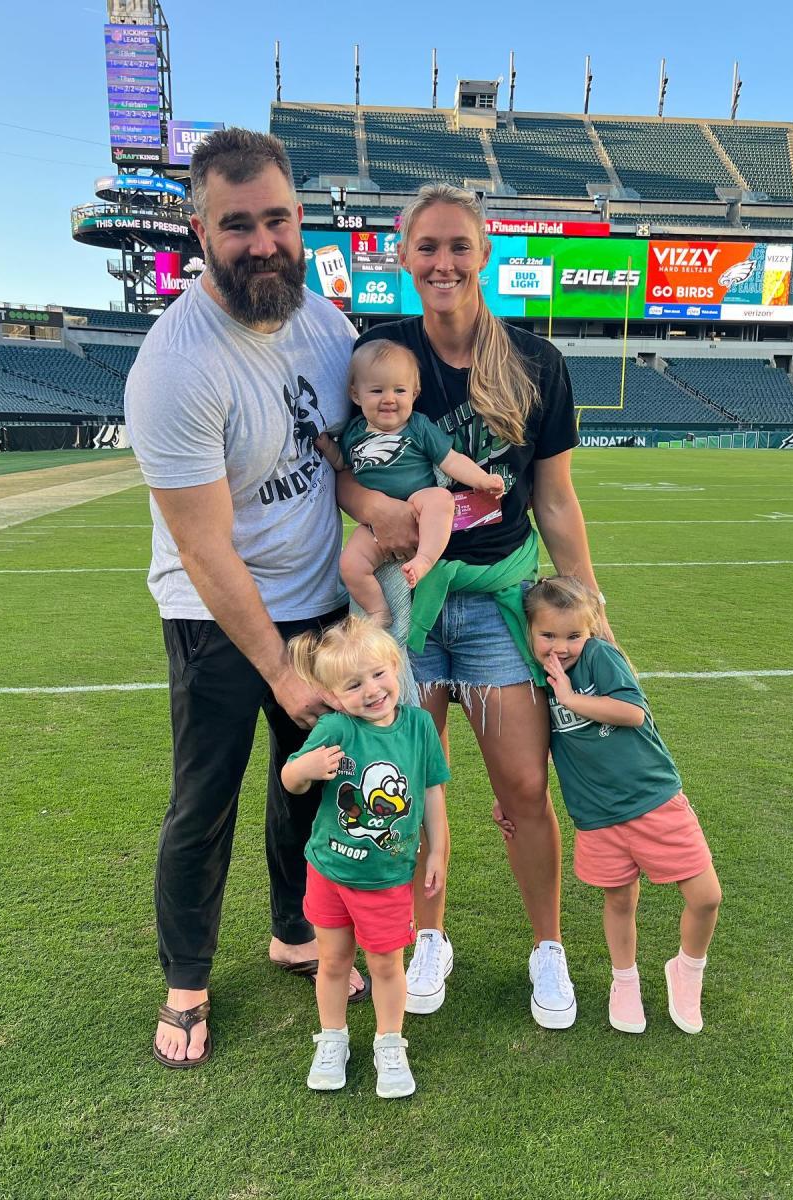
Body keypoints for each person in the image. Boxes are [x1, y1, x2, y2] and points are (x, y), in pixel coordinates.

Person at [336, 183, 611, 1027]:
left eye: (459, 246)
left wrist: (590, 600)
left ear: (485, 252)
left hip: (499, 602)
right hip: (406, 599)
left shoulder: (537, 362)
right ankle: (430, 939)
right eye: (428, 248)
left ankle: (548, 951)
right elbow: (340, 465)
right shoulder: (379, 352)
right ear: (403, 254)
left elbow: (555, 500)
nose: (444, 262)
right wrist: (374, 509)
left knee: (525, 786)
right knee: (407, 780)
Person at [124, 127, 368, 1069]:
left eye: (275, 219)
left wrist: (391, 515)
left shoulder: (324, 321)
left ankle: (293, 931)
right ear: (199, 230)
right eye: (237, 226)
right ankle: (187, 978)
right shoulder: (176, 364)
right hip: (215, 615)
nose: (262, 242)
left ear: (300, 217)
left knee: (305, 787)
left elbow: (337, 455)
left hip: (318, 604)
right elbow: (202, 544)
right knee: (206, 798)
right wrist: (277, 665)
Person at [519, 576, 722, 1034]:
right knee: (619, 899)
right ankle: (624, 980)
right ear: (529, 631)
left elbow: (633, 713)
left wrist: (572, 697)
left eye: (574, 635)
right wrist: (512, 797)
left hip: (653, 800)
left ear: (589, 631)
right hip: (597, 817)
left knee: (706, 896)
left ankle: (686, 972)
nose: (562, 646)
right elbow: (539, 745)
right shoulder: (537, 679)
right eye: (548, 635)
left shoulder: (599, 658)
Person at [281, 616, 449, 1097]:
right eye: (353, 685)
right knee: (333, 962)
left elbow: (433, 793)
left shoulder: (419, 727)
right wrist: (305, 767)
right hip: (330, 871)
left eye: (378, 674)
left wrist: (437, 848)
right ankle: (332, 1039)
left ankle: (389, 1044)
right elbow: (291, 779)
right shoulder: (335, 727)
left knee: (386, 966)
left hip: (387, 877)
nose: (372, 691)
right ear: (333, 695)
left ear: (395, 667)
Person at [315, 338, 504, 624]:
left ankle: (424, 559)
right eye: (377, 390)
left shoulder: (417, 426)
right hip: (375, 526)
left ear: (414, 394)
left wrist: (482, 479)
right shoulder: (354, 432)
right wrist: (327, 447)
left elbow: (450, 460)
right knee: (350, 565)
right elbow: (343, 465)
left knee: (440, 499)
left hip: (417, 505)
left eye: (399, 390)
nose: (389, 398)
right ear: (356, 395)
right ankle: (379, 611)